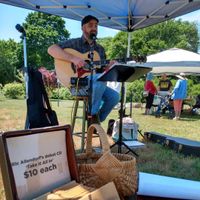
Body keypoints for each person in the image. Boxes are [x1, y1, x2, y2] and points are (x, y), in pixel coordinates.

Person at [48, 15, 120, 124]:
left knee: (114, 97)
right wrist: (73, 59)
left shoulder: (100, 49)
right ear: (83, 28)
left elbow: (101, 73)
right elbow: (51, 49)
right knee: (99, 80)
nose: (94, 28)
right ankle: (92, 114)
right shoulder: (75, 43)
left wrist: (108, 68)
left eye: (96, 25)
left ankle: (95, 120)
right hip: (78, 84)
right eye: (90, 25)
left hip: (96, 85)